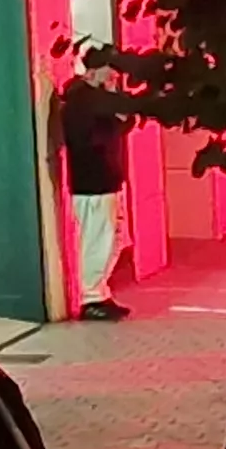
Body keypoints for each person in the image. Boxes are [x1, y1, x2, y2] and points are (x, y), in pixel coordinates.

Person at [56, 41, 134, 307]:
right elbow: (87, 138)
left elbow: (126, 119)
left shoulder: (94, 98)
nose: (114, 74)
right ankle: (90, 295)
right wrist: (114, 119)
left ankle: (98, 291)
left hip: (103, 179)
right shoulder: (82, 100)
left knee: (110, 238)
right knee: (96, 240)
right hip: (94, 182)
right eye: (109, 69)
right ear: (95, 70)